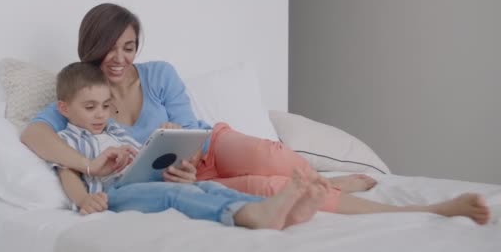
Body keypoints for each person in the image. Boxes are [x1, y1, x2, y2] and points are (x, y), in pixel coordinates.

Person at [22, 3, 490, 224]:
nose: (120, 57)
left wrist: (181, 142)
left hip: (207, 146)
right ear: (92, 47)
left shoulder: (159, 73)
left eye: (129, 46)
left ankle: (334, 180)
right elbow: (34, 135)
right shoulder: (84, 95)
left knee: (271, 160)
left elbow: (192, 127)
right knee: (274, 188)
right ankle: (423, 209)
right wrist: (86, 167)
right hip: (180, 179)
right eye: (111, 47)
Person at [51, 61, 327, 229]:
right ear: (64, 108)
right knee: (175, 197)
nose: (100, 114)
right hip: (114, 196)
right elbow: (68, 174)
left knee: (206, 187)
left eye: (106, 106)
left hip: (144, 182)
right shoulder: (68, 139)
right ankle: (245, 214)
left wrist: (161, 145)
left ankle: (280, 210)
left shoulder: (116, 131)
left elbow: (144, 159)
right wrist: (85, 200)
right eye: (90, 107)